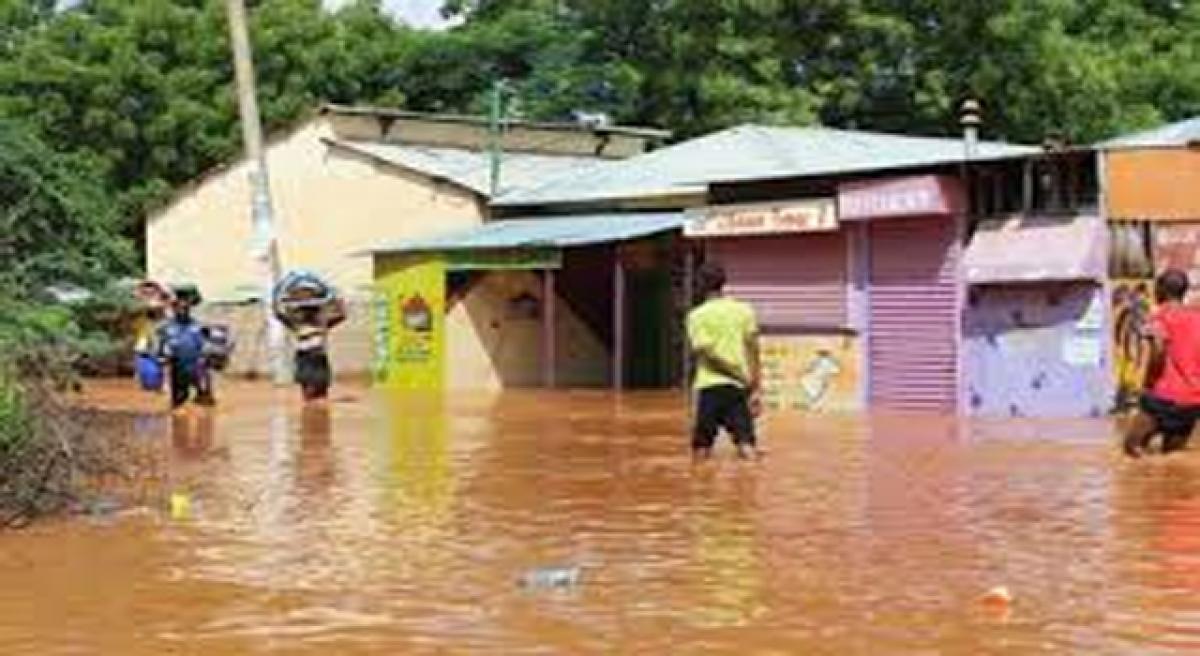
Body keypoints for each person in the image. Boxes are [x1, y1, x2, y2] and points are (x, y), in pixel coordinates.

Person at [687, 262, 762, 461]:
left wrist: (735, 373)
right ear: (723, 283)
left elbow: (707, 355)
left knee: (701, 449)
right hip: (738, 387)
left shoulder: (697, 316)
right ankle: (753, 488)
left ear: (700, 284)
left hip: (710, 386)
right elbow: (754, 350)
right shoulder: (744, 310)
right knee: (747, 445)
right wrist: (755, 386)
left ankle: (700, 490)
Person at [1123, 269, 1200, 457]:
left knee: (1132, 447)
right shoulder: (1197, 318)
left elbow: (1157, 350)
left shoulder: (1159, 317)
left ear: (1161, 290)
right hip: (1193, 401)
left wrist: (1147, 383)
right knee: (1172, 455)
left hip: (1163, 396)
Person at [158, 294, 214, 409]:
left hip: (197, 365)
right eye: (179, 308)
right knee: (178, 400)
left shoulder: (198, 326)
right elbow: (161, 348)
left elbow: (207, 344)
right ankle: (178, 421)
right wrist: (162, 360)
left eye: (185, 309)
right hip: (178, 366)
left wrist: (207, 358)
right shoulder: (166, 327)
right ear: (174, 310)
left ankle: (205, 422)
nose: (182, 311)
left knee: (204, 397)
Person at [284, 299, 346, 402]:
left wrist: (339, 304)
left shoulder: (321, 324)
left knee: (321, 390)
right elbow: (281, 314)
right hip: (305, 357)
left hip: (317, 356)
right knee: (309, 391)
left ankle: (317, 411)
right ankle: (311, 409)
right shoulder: (297, 324)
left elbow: (341, 316)